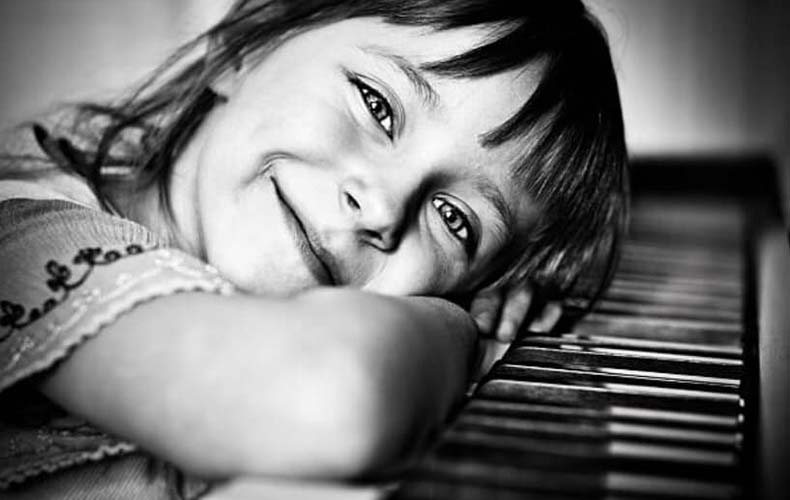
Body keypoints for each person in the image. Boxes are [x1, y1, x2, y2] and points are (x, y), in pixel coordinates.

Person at [0, 0, 628, 497]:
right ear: (246, 44)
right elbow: (330, 398)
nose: (382, 207)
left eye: (455, 220)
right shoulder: (23, 232)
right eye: (378, 105)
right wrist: (456, 332)